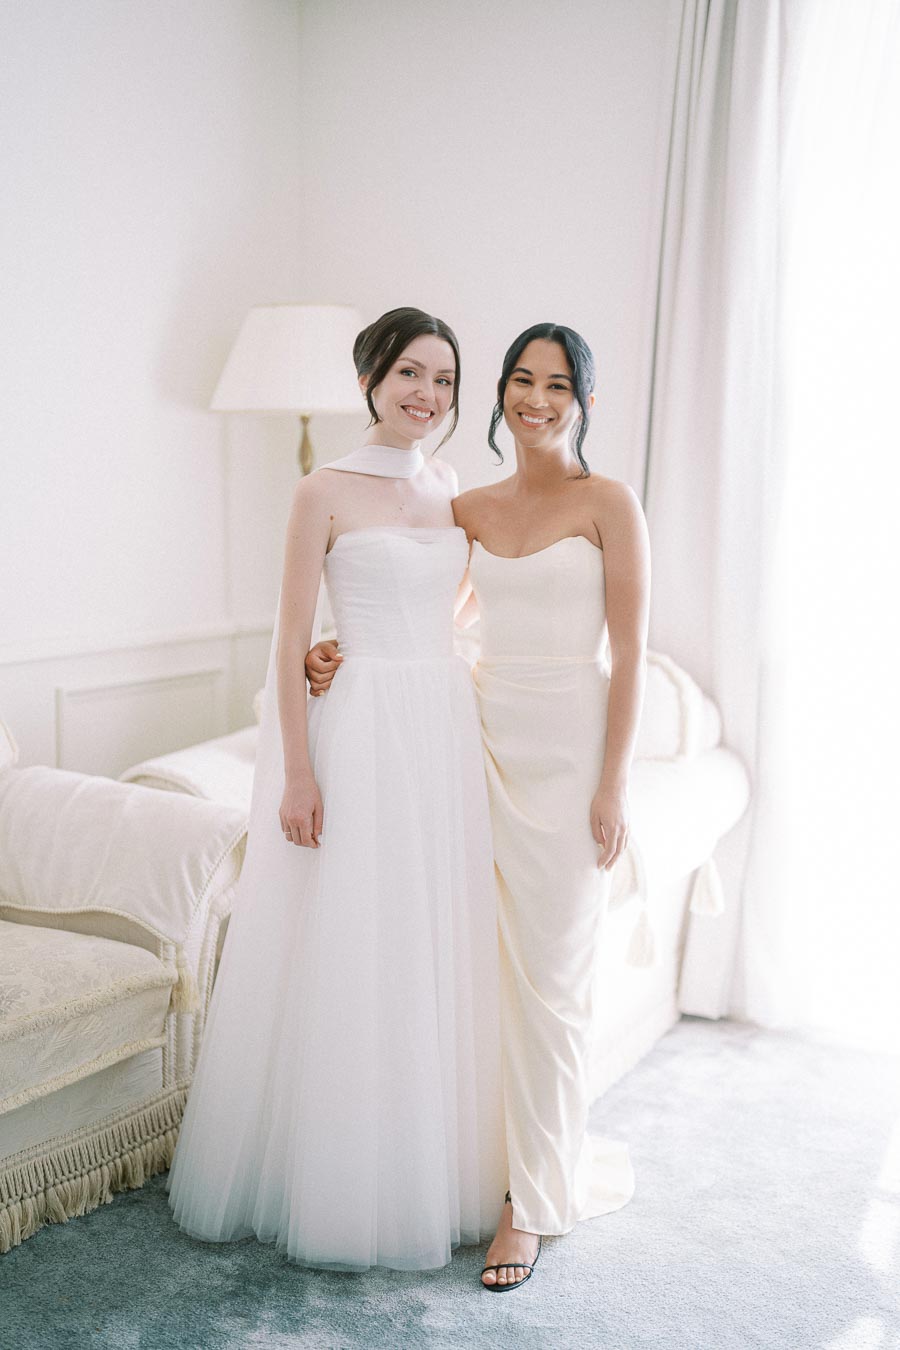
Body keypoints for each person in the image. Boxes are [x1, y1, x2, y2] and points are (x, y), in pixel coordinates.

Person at [308, 322, 650, 1292]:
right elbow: (432, 613)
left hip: (571, 746)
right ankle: (490, 1173)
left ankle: (531, 1205)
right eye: (520, 381)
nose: (535, 399)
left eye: (557, 384)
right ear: (500, 393)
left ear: (584, 397)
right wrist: (334, 648)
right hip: (478, 740)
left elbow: (626, 656)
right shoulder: (471, 506)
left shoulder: (610, 504)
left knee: (552, 982)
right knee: (485, 976)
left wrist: (613, 782)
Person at [167, 307, 507, 1272]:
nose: (426, 395)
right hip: (355, 728)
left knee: (425, 933)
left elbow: (464, 610)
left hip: (438, 727)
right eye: (409, 372)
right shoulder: (321, 487)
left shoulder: (450, 488)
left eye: (443, 379)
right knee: (356, 934)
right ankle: (342, 1179)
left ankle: (428, 1160)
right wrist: (299, 768)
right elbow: (286, 638)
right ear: (370, 378)